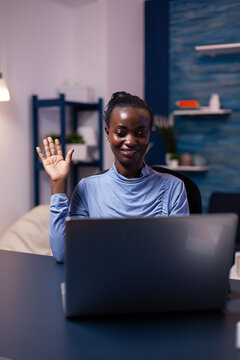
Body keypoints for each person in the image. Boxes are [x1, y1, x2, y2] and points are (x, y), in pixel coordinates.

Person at [36, 91, 189, 262]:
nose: (130, 141)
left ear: (148, 135)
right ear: (108, 133)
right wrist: (58, 183)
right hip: (102, 283)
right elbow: (62, 254)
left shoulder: (174, 187)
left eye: (139, 133)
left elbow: (177, 255)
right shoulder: (87, 188)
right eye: (121, 133)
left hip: (154, 284)